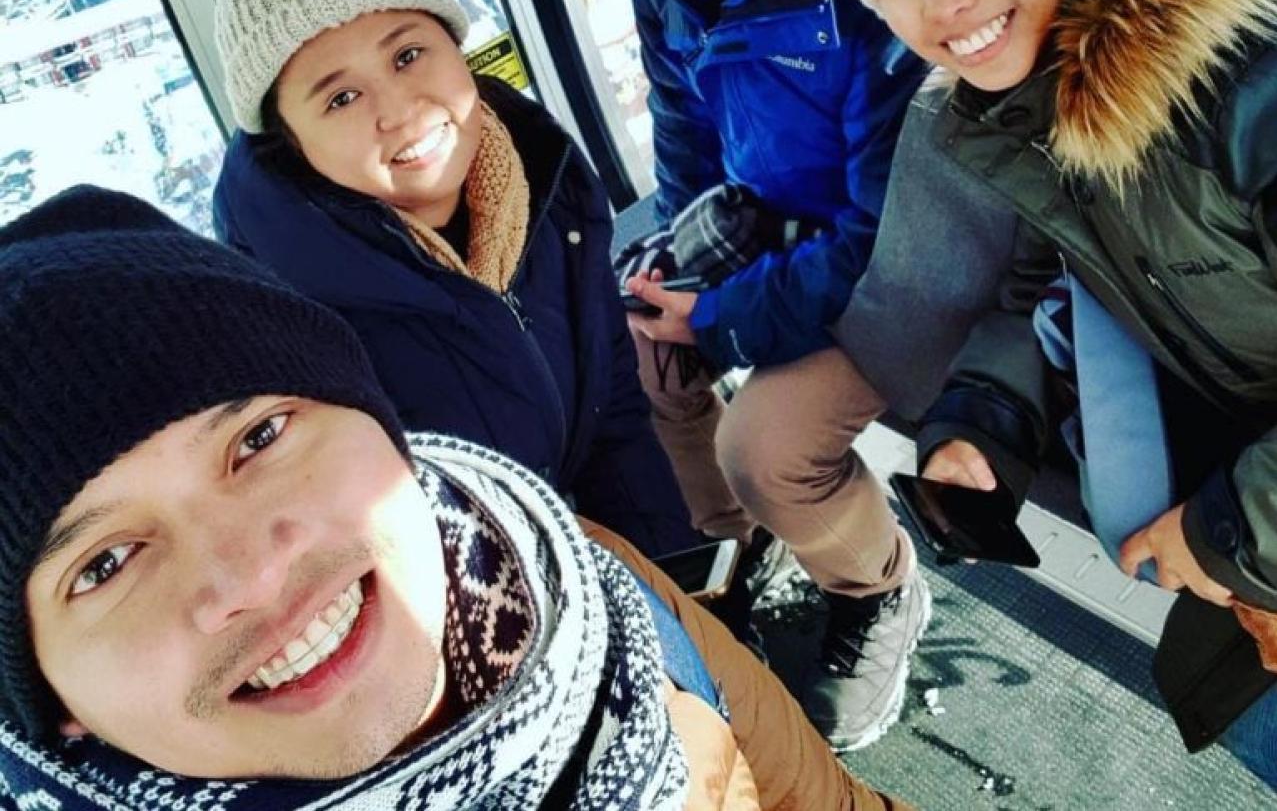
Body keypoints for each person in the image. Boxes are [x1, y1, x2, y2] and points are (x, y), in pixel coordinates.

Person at [0, 185, 912, 811]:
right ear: (48, 699)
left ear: (378, 426)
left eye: (259, 437)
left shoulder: (577, 577)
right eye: (105, 562)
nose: (254, 568)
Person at [830, 0, 1277, 786]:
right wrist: (984, 424)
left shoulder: (1245, 75)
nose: (943, 4)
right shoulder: (1035, 97)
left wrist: (1231, 540)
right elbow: (1067, 277)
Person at [588, 0, 930, 748]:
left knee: (769, 441)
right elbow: (685, 119)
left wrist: (731, 310)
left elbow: (895, 232)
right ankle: (757, 537)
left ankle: (874, 583)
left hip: (915, 254)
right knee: (640, 336)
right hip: (791, 224)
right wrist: (684, 262)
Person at [209, 0, 694, 559]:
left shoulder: (546, 184)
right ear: (289, 142)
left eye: (408, 54)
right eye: (341, 98)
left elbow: (612, 408)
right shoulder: (280, 326)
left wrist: (672, 572)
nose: (400, 111)